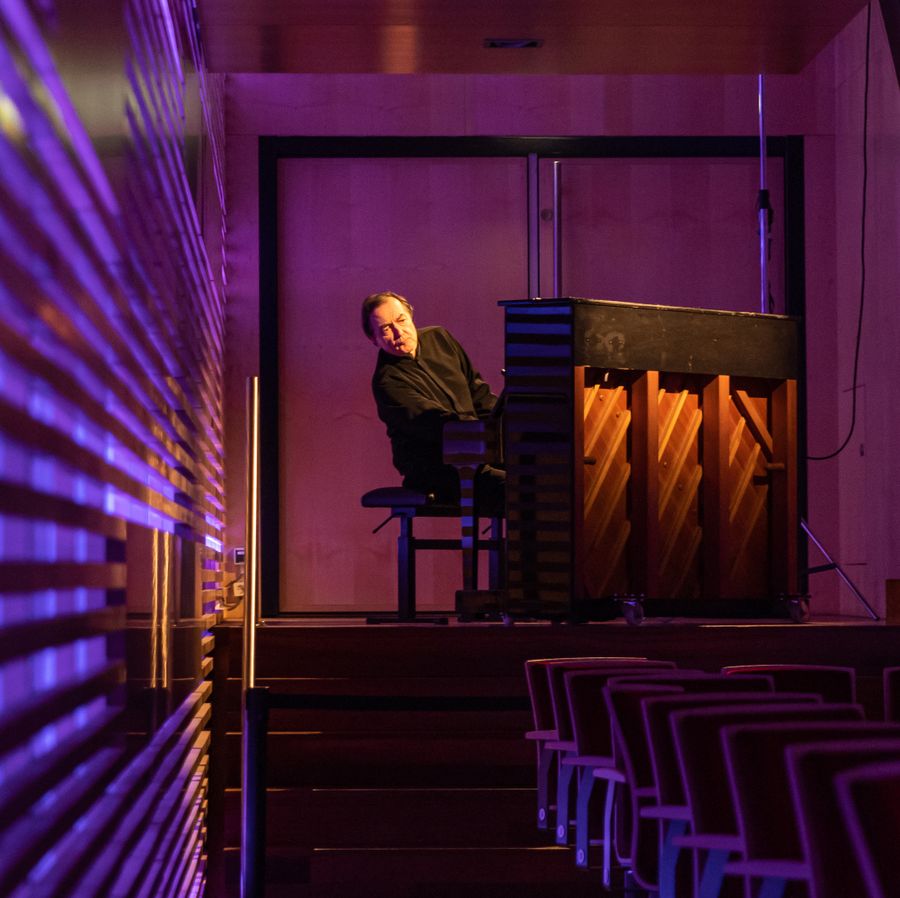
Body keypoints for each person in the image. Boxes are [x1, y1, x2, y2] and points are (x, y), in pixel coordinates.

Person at [362, 291, 504, 514]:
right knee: (521, 487)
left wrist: (502, 425)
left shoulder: (440, 338)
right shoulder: (387, 381)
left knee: (545, 475)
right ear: (373, 339)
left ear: (411, 316)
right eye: (386, 329)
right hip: (437, 470)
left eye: (401, 320)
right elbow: (437, 423)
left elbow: (480, 394)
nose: (399, 332)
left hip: (476, 450)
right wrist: (486, 434)